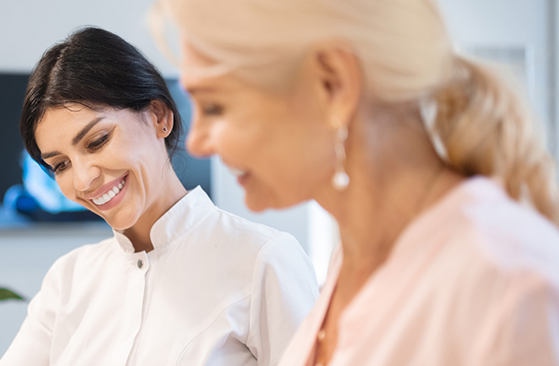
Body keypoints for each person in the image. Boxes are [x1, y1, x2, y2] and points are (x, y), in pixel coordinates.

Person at [153, 0, 559, 364]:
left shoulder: (507, 287)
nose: (197, 142)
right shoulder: (351, 261)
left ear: (333, 84)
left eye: (215, 106)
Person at [0, 27, 319, 366]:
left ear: (158, 117)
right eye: (60, 165)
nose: (83, 179)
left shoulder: (262, 260)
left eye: (97, 141)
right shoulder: (69, 279)